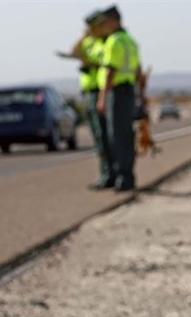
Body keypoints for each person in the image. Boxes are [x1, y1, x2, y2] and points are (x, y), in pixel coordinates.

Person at [57, 10, 115, 190]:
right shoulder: (89, 41)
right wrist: (84, 36)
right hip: (88, 92)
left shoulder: (104, 42)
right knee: (99, 137)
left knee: (105, 136)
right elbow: (74, 51)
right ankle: (106, 173)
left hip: (100, 90)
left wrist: (89, 62)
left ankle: (110, 175)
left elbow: (106, 64)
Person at [96, 6, 145, 191]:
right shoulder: (130, 40)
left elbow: (110, 71)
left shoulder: (114, 41)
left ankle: (122, 177)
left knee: (116, 136)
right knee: (126, 135)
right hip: (129, 91)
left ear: (114, 21)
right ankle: (127, 176)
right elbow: (139, 70)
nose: (104, 26)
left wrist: (102, 97)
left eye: (105, 22)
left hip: (116, 92)